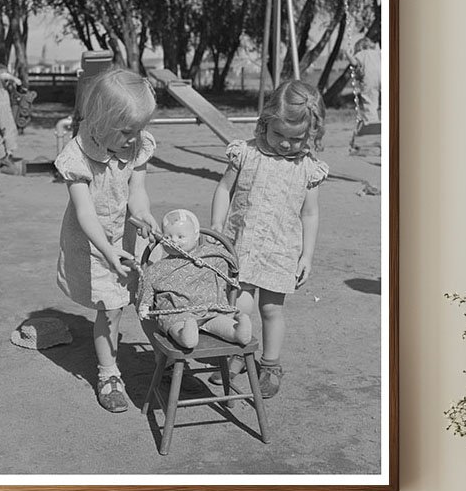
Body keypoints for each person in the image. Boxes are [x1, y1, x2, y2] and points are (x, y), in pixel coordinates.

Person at [210, 79, 329, 399]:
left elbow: (310, 214)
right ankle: (239, 350)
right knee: (239, 305)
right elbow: (224, 189)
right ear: (265, 122)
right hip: (243, 245)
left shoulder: (308, 169)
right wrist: (217, 226)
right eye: (279, 135)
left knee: (272, 309)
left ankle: (271, 364)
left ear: (311, 134)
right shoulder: (245, 153)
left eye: (297, 139)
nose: (286, 145)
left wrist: (307, 256)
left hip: (281, 250)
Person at [55, 68, 159, 413]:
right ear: (100, 121)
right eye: (127, 130)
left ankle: (164, 356)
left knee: (141, 296)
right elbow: (85, 213)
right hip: (94, 242)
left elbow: (138, 191)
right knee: (111, 308)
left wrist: (142, 214)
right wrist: (108, 250)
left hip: (125, 233)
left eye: (139, 129)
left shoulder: (136, 146)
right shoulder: (77, 156)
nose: (135, 138)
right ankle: (109, 373)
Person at [136, 209, 253, 350]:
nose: (174, 240)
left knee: (222, 322)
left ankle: (237, 332)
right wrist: (144, 306)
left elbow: (232, 262)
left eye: (181, 236)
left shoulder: (208, 255)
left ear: (196, 235)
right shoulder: (158, 268)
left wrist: (219, 248)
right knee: (175, 326)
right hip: (177, 315)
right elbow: (147, 285)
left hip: (211, 310)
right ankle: (185, 335)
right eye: (168, 236)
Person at [0, 66, 21, 173]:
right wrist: (16, 80)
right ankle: (9, 155)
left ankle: (2, 157)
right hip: (1, 109)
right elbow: (3, 76)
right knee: (9, 131)